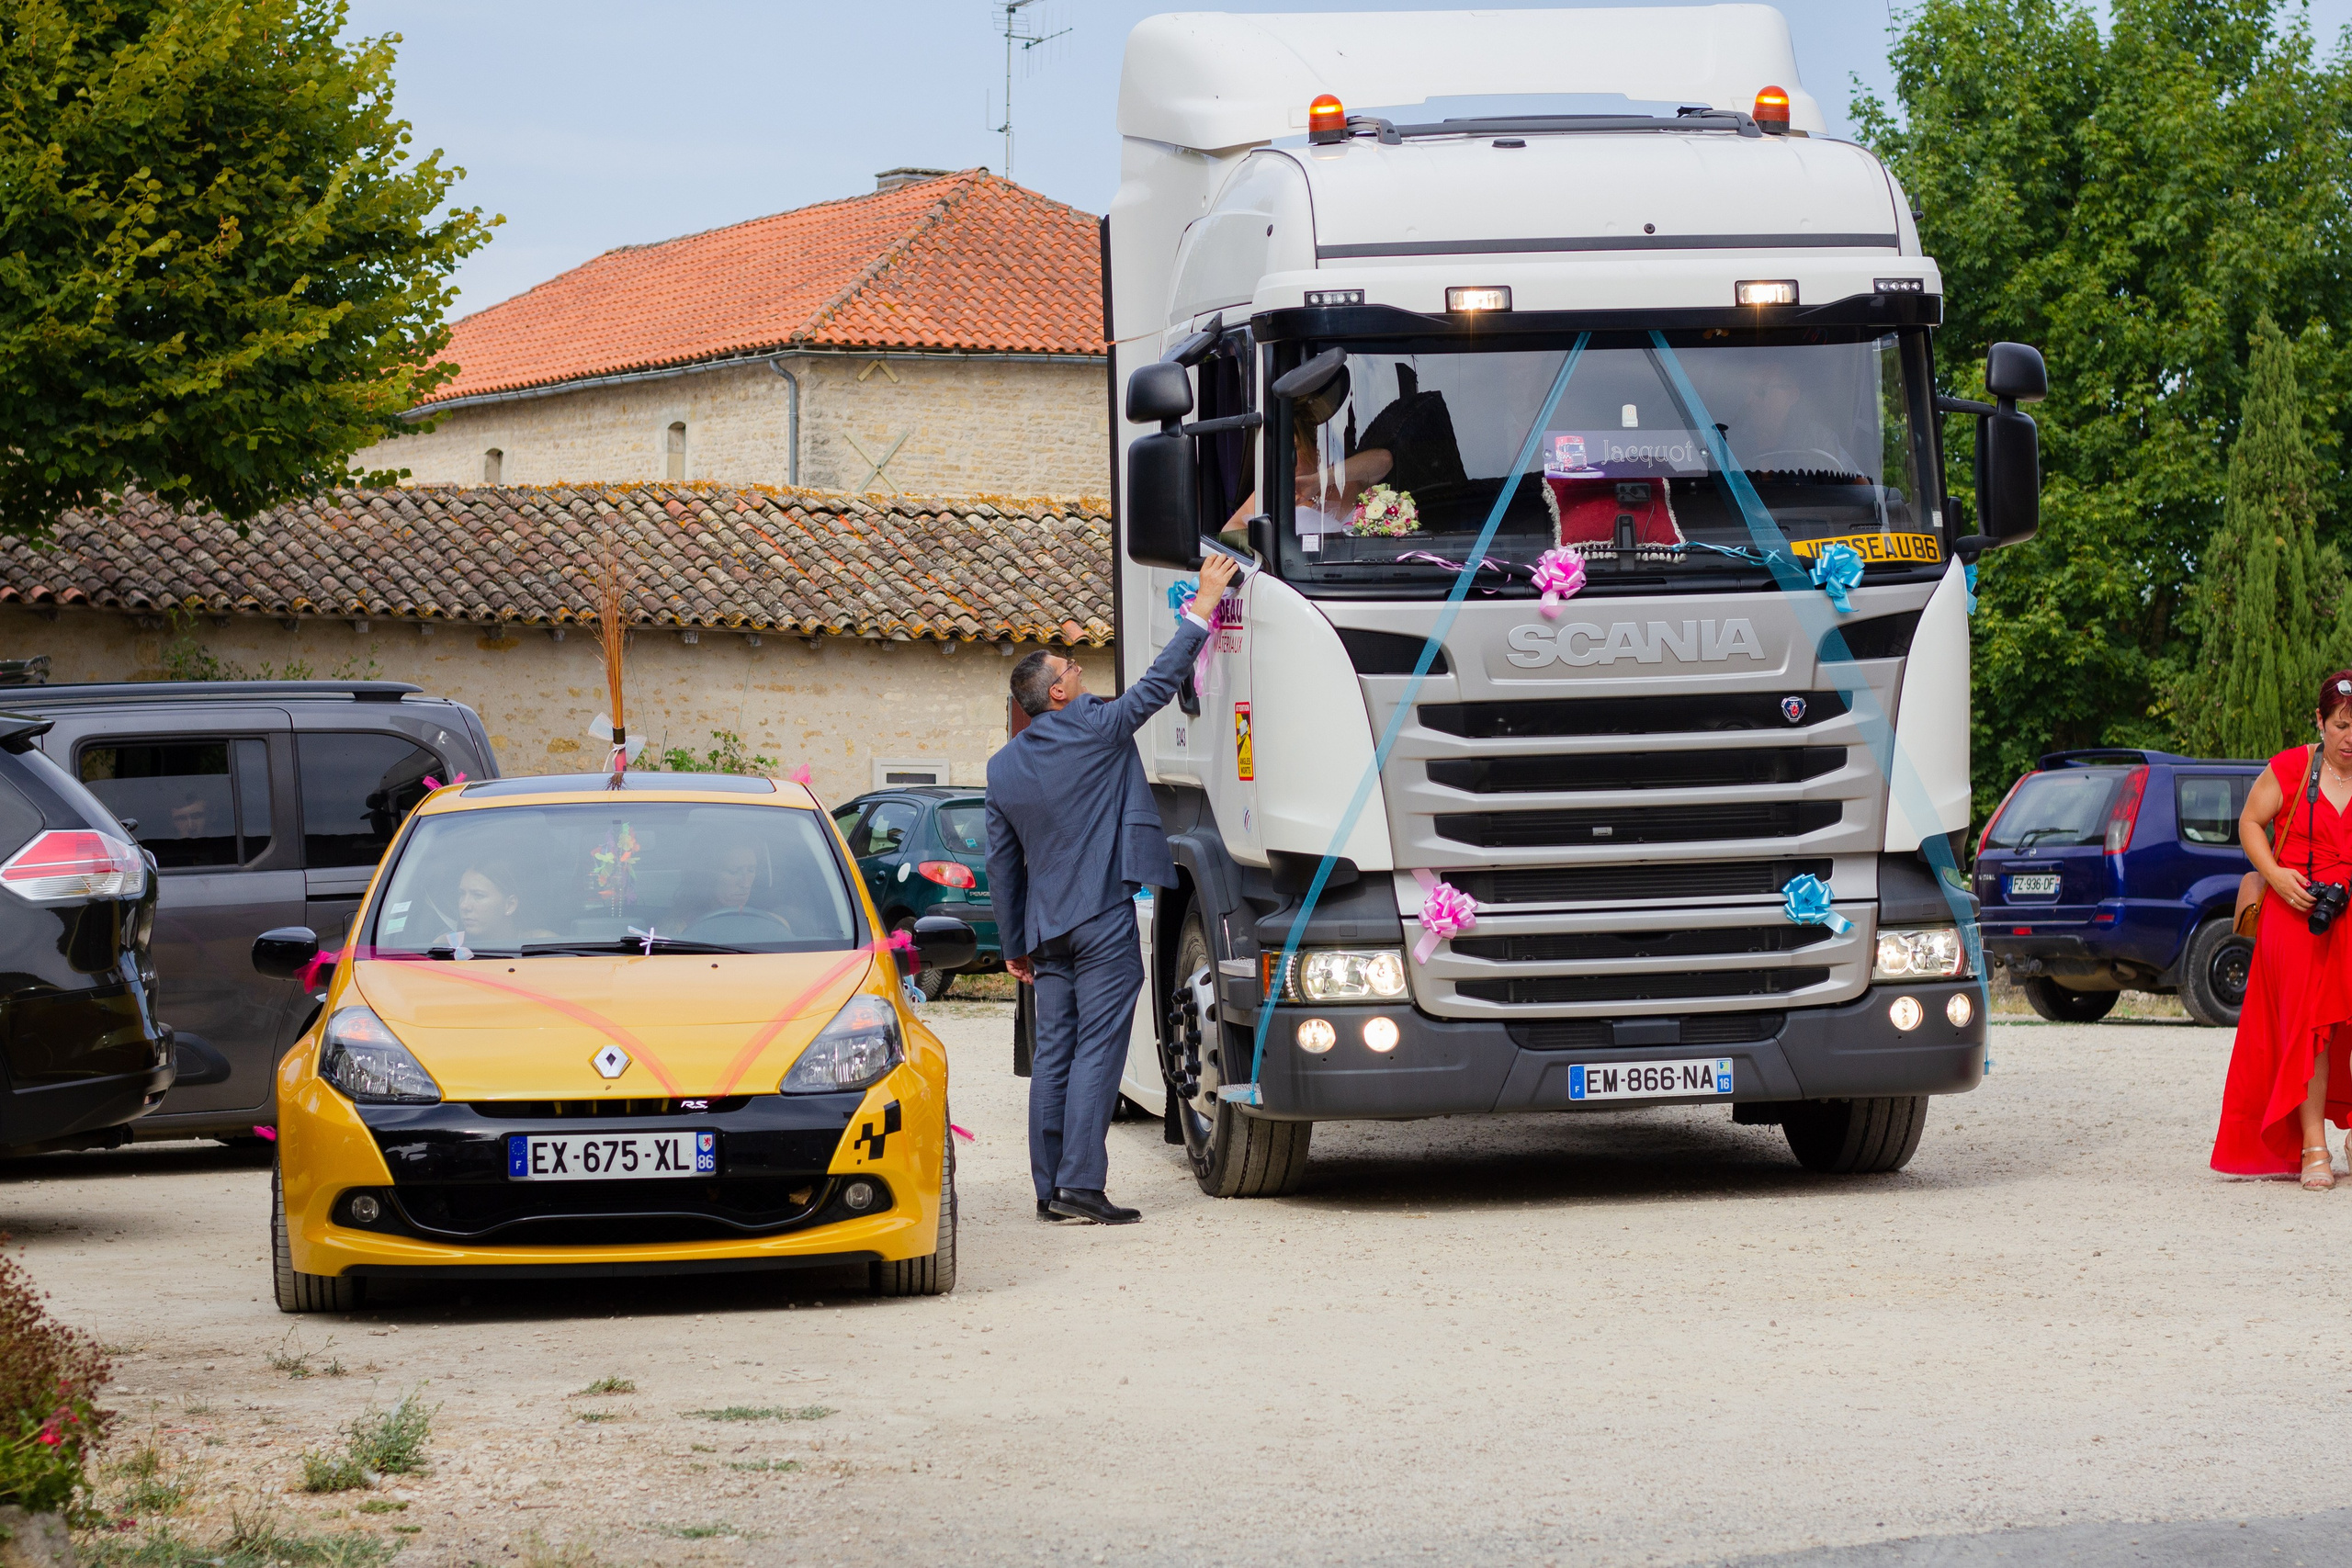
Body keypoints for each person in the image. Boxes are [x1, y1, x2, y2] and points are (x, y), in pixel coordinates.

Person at [987, 548, 1238, 1224]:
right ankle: (1081, 1184)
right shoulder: (1094, 726)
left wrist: (1015, 945)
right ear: (1056, 693)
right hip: (1100, 918)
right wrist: (1202, 607)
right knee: (1099, 1047)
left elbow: (1003, 865)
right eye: (1070, 667)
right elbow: (1157, 684)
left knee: (1055, 1055)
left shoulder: (1002, 769)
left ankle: (1050, 1189)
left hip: (1046, 930)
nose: (1079, 669)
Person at [2211, 671, 2352, 1187]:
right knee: (2310, 1031)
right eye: (2341, 726)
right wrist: (2274, 874)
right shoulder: (2292, 767)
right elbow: (2250, 822)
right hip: (2298, 916)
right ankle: (2314, 1146)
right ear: (2320, 721)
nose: (2350, 738)